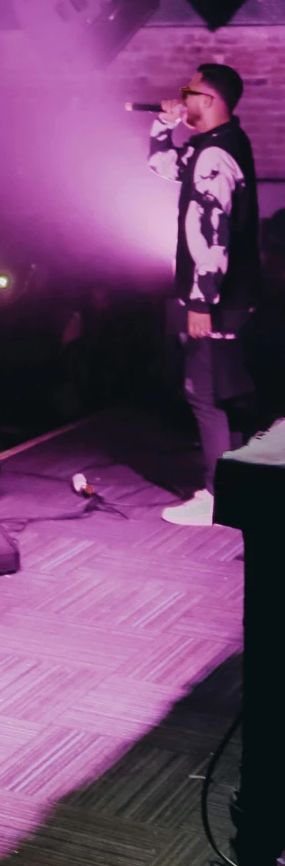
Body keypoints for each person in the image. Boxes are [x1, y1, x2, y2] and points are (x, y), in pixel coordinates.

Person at [148, 62, 260, 524]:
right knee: (225, 393)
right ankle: (235, 487)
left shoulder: (215, 155)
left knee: (205, 395)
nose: (182, 97)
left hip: (216, 299)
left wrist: (200, 301)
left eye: (188, 91)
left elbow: (213, 234)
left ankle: (217, 498)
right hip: (233, 298)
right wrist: (163, 125)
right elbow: (162, 167)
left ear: (209, 99)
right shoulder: (217, 145)